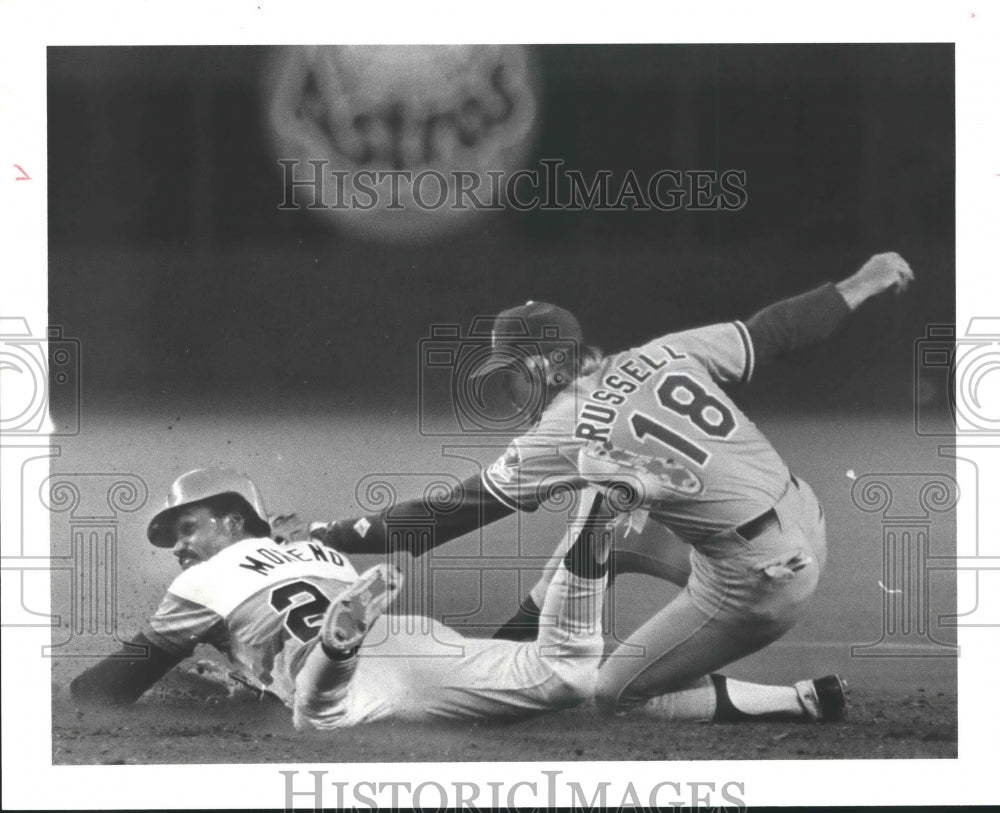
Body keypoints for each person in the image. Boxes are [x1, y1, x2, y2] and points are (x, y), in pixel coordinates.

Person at [311, 251, 915, 723]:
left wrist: (326, 533)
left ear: (547, 366)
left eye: (513, 374)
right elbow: (775, 330)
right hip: (803, 517)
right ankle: (501, 663)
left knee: (613, 693)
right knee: (597, 513)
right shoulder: (663, 352)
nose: (509, 390)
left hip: (758, 579)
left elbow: (443, 517)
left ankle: (798, 700)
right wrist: (861, 283)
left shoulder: (562, 429)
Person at [69, 467, 616, 729]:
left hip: (343, 679)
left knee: (320, 717)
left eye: (187, 528)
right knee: (564, 677)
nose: (178, 547)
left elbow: (107, 689)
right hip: (413, 641)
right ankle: (595, 520)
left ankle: (337, 649)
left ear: (234, 520)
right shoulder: (315, 550)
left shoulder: (197, 583)